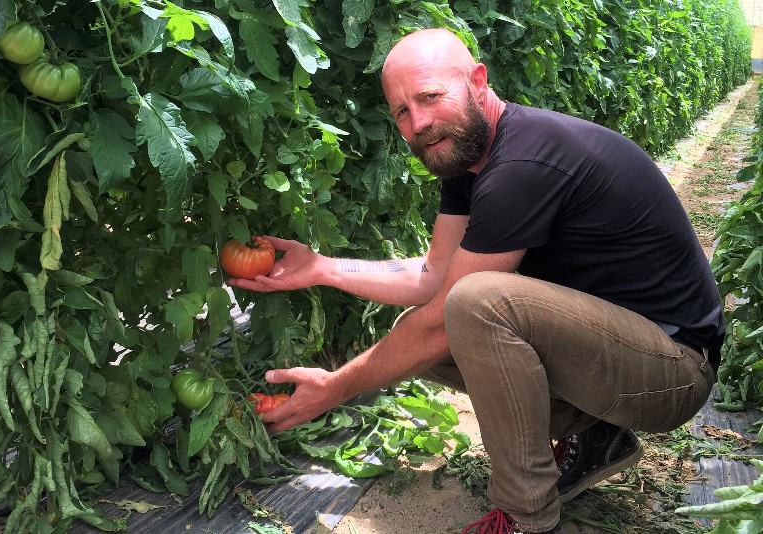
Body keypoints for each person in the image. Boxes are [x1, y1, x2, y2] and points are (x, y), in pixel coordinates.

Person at [229, 28, 725, 534]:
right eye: (402, 111)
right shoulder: (468, 163)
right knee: (429, 326)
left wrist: (334, 388)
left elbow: (451, 310)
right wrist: (323, 268)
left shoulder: (522, 164)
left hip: (674, 370)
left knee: (468, 309)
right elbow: (430, 278)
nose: (418, 123)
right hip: (616, 353)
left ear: (478, 82)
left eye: (429, 97)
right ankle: (597, 435)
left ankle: (527, 516)